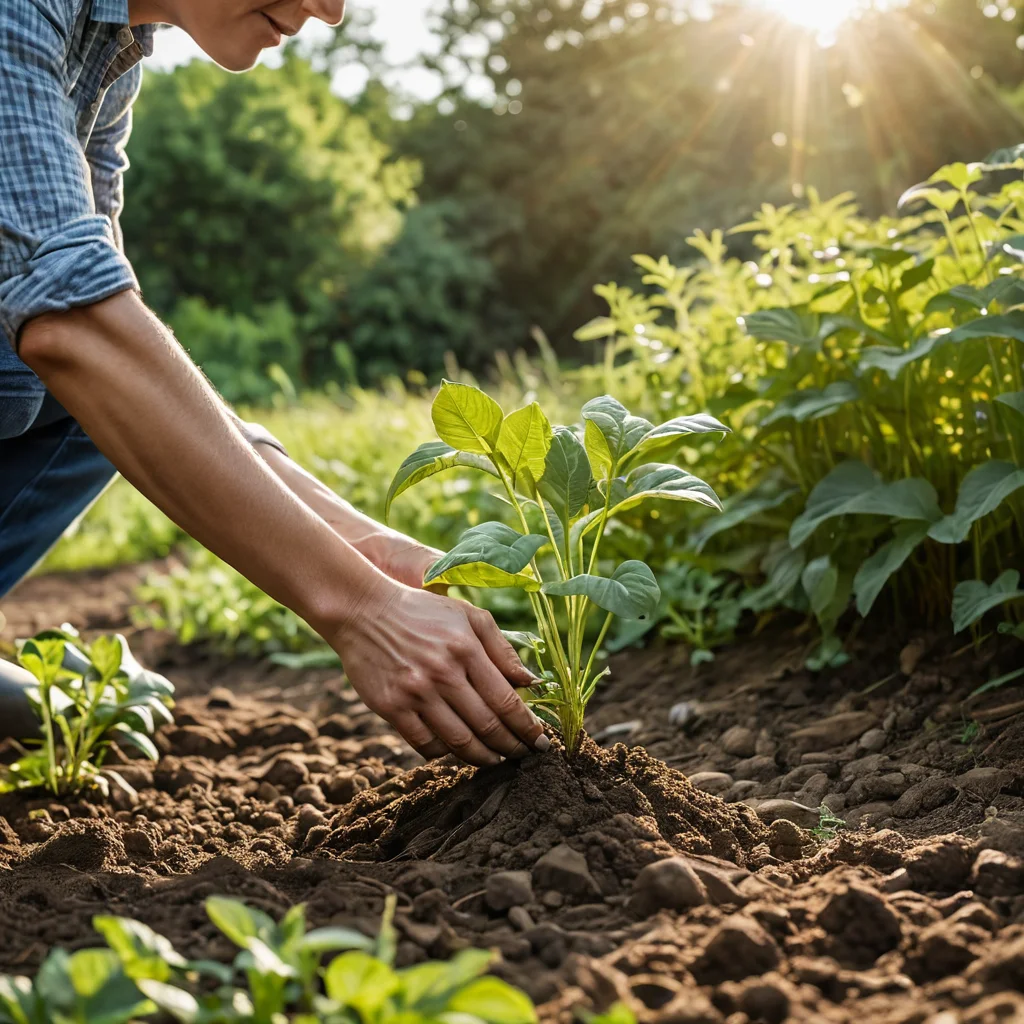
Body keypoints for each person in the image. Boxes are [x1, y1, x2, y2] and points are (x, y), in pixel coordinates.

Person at [0, 0, 549, 766]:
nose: (330, 10)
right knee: (81, 354)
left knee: (101, 380)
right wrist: (360, 608)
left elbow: (110, 338)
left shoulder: (110, 49)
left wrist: (361, 543)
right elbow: (75, 326)